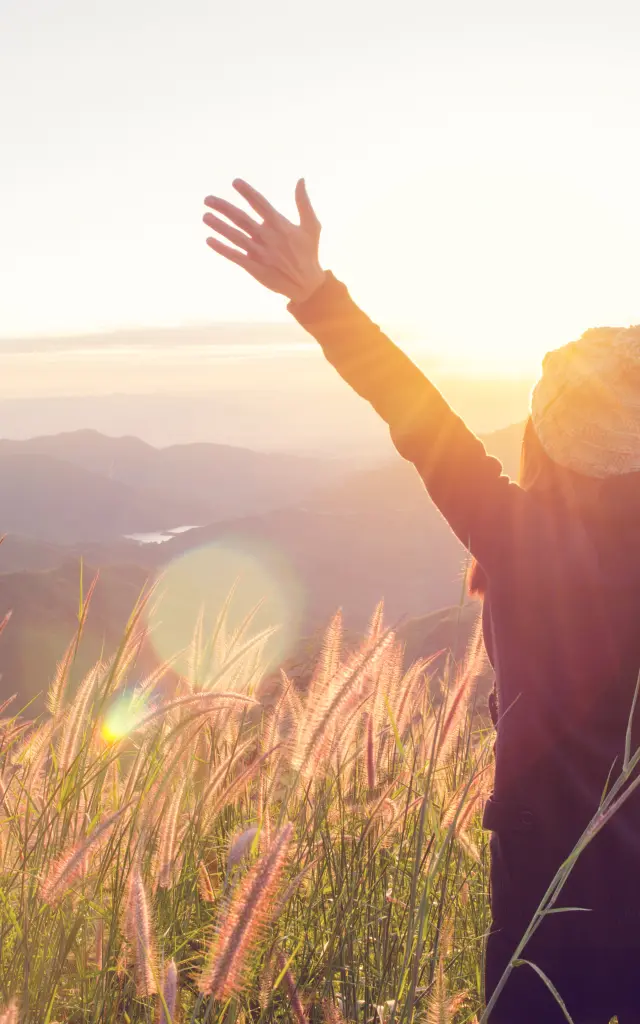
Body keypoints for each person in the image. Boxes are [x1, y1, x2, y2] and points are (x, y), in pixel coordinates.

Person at [203, 179, 640, 1022]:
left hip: (542, 903)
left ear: (546, 440)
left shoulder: (517, 538)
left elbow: (419, 418)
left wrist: (318, 295)